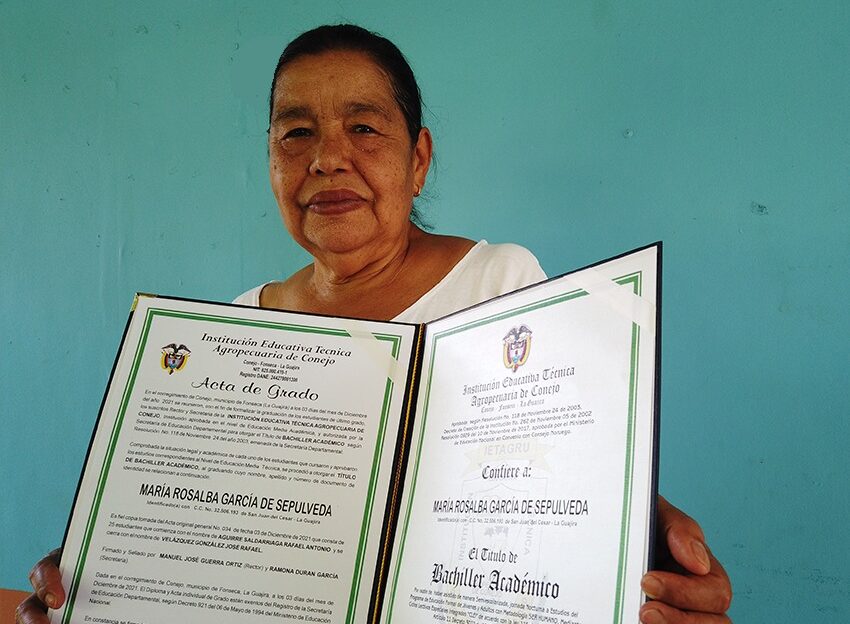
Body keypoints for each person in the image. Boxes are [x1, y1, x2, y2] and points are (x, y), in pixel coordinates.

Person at [17, 24, 732, 624]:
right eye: (296, 133)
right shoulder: (233, 329)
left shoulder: (499, 284)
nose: (328, 159)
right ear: (270, 161)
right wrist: (98, 571)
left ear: (417, 160)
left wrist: (640, 523)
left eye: (364, 127)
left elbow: (549, 471)